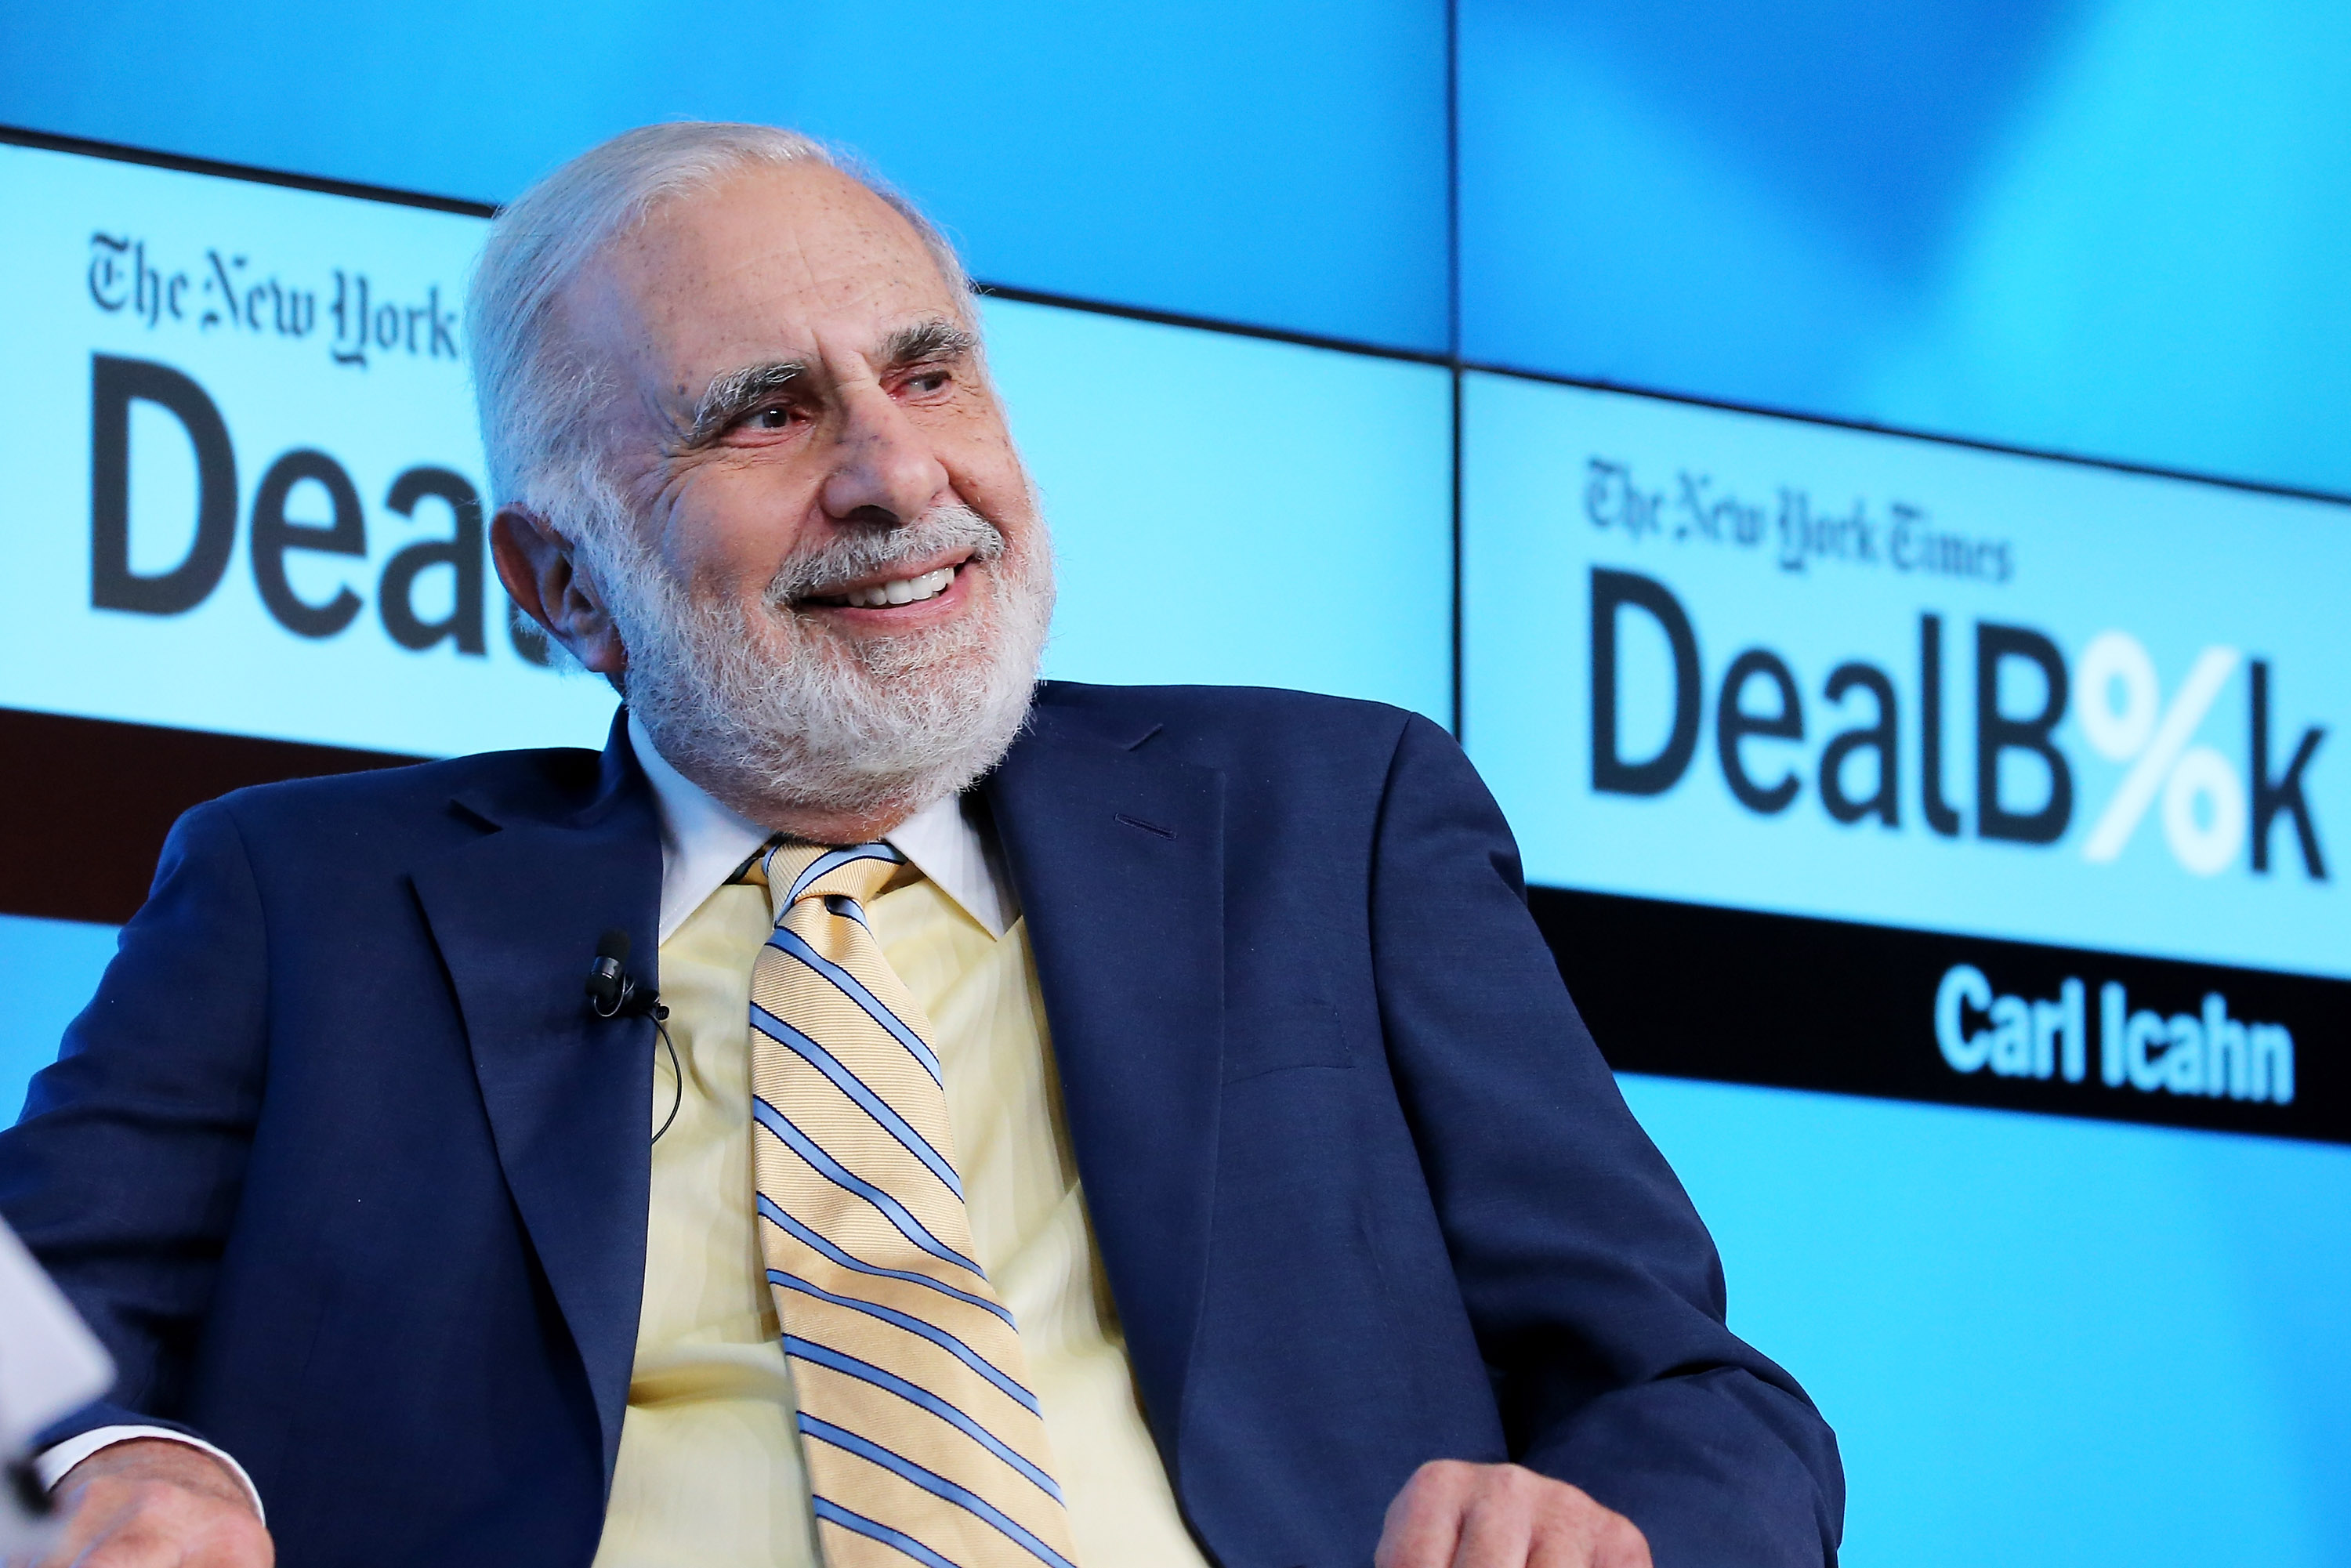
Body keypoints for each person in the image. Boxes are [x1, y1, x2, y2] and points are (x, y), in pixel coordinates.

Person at [0, 123, 1842, 1568]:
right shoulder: (306, 899)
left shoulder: (1327, 817)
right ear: (561, 582)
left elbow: (1699, 1399)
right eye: (767, 412)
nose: (898, 473)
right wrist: (111, 1455)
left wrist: (1606, 1529)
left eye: (931, 373)